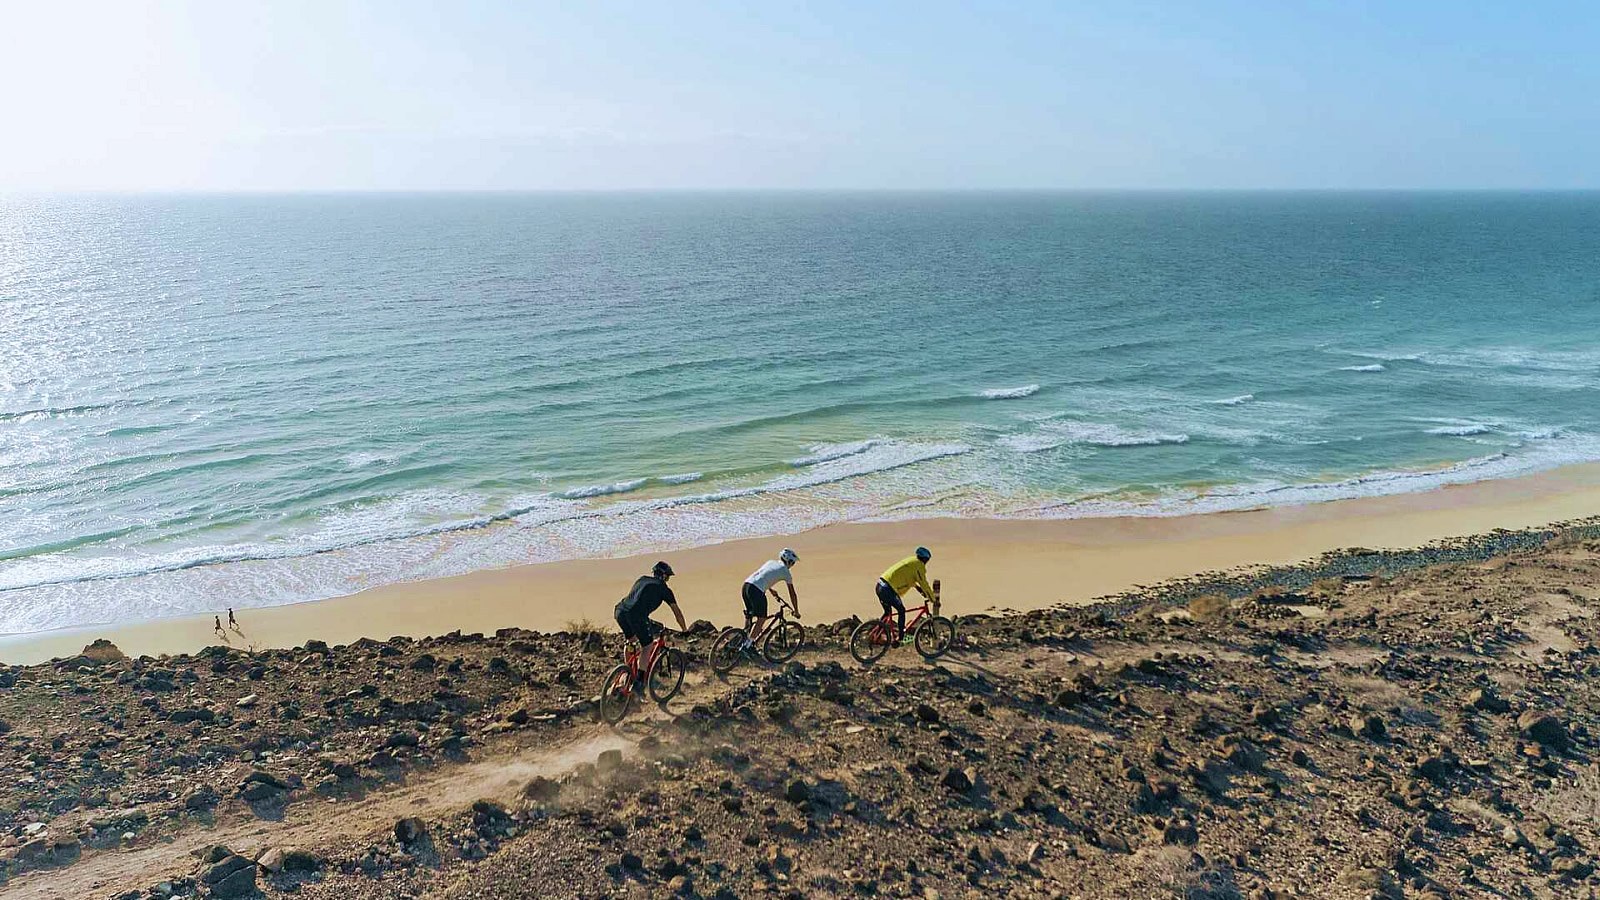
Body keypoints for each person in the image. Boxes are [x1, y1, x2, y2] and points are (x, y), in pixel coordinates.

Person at [615, 561, 687, 680]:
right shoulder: (664, 589)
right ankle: (639, 681)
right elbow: (677, 613)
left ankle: (627, 672)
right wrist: (685, 630)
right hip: (636, 616)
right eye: (668, 577)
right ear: (664, 576)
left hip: (620, 611)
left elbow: (635, 599)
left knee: (631, 640)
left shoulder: (642, 579)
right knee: (647, 645)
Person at [740, 548, 801, 650]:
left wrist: (771, 590)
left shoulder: (771, 562)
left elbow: (763, 576)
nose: (792, 565)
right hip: (757, 590)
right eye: (793, 563)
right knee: (762, 619)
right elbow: (792, 594)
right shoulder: (786, 572)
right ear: (789, 561)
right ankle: (747, 646)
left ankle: (742, 638)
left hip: (746, 586)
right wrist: (796, 611)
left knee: (750, 614)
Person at [876, 547, 934, 644]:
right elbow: (924, 583)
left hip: (880, 585)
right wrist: (933, 599)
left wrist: (917, 588)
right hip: (888, 589)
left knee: (887, 613)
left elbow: (908, 577)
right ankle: (900, 637)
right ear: (925, 559)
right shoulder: (919, 565)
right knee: (901, 610)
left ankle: (876, 634)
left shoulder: (911, 560)